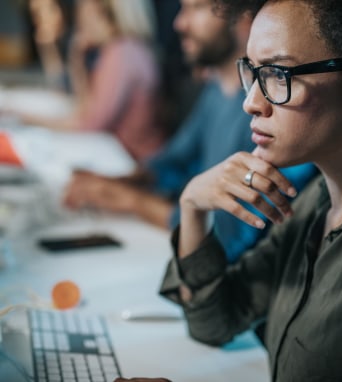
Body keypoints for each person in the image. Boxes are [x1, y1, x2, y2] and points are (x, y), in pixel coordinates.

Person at [117, 0, 342, 380]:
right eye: (253, 72)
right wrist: (193, 204)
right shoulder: (320, 199)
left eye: (277, 74)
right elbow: (214, 321)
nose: (251, 103)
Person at [63, 0, 317, 264]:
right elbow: (177, 162)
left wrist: (130, 200)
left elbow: (229, 231)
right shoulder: (217, 88)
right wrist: (118, 183)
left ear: (242, 19)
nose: (179, 23)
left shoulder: (274, 113)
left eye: (196, 8)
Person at [19, 0, 166, 161]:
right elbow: (84, 107)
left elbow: (88, 124)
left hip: (135, 164)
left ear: (104, 15)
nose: (80, 24)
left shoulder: (121, 54)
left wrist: (25, 119)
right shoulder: (123, 49)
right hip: (121, 155)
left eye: (84, 15)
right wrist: (77, 61)